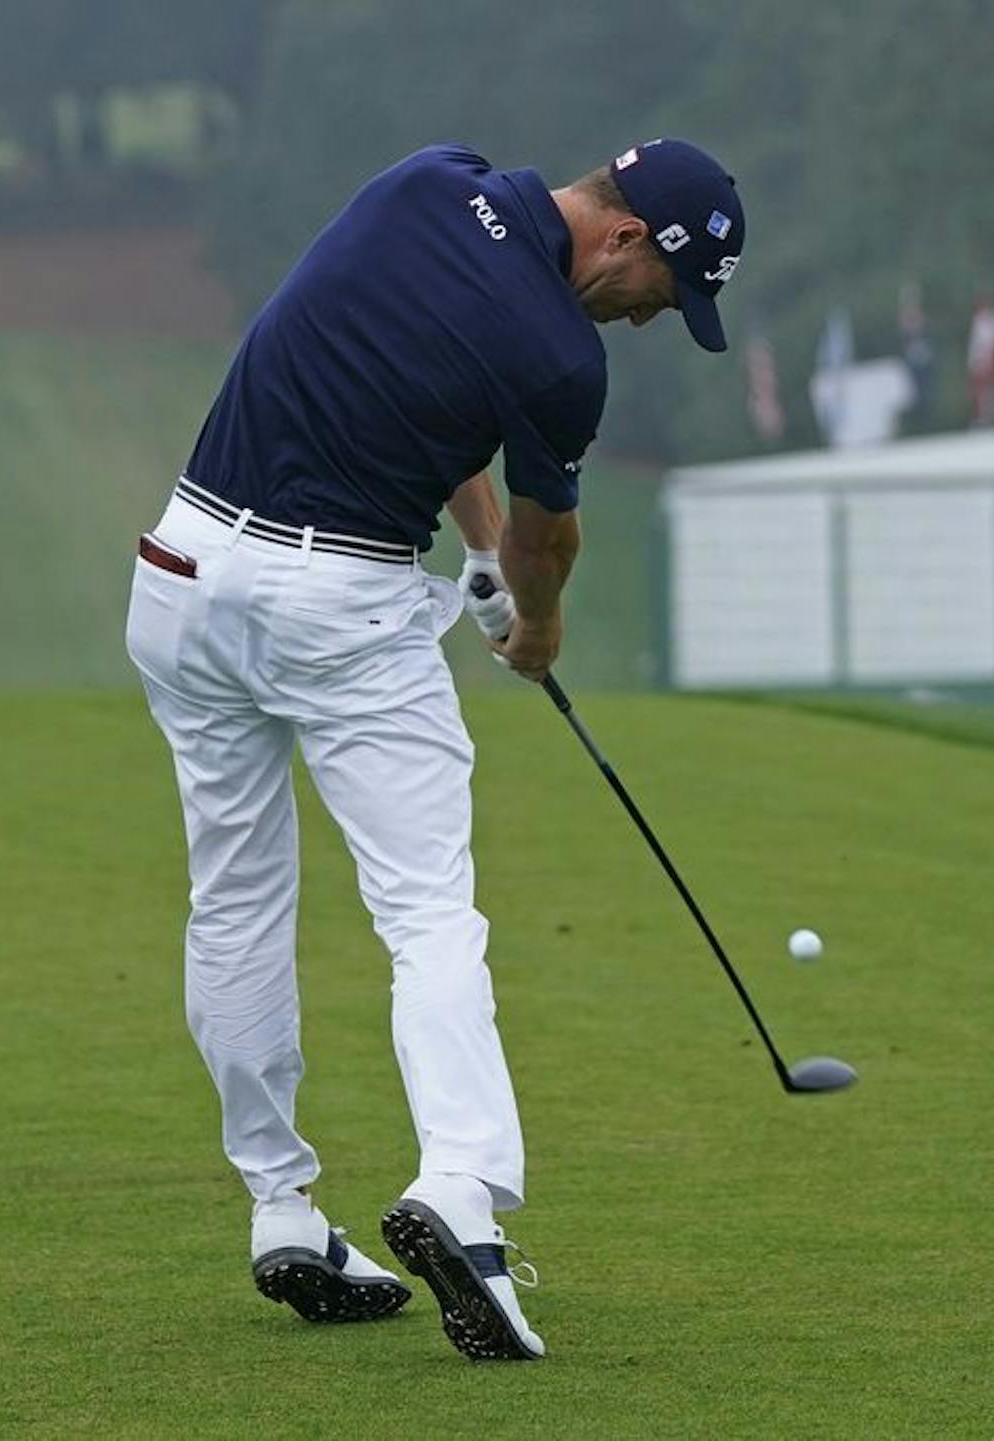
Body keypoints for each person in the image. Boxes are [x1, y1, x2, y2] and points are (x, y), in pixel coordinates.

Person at [125, 139, 745, 1361]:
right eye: (665, 297)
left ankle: (282, 1211)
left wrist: (469, 556)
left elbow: (427, 371)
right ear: (627, 240)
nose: (650, 322)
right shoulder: (563, 357)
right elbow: (547, 546)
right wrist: (535, 627)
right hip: (337, 608)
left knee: (235, 903)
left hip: (182, 573)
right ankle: (463, 1191)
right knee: (429, 916)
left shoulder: (422, 183)